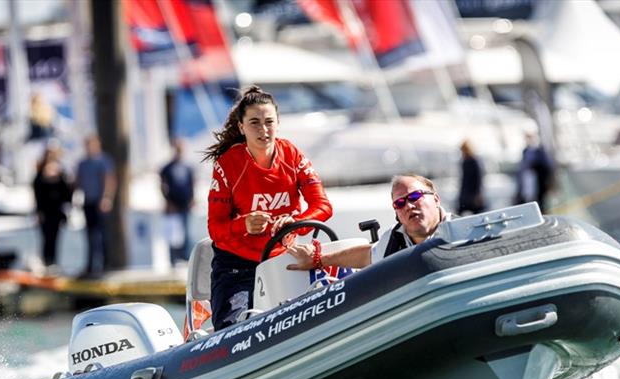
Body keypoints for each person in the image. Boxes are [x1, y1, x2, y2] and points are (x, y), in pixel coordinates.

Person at [202, 85, 333, 331]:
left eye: (269, 122)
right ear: (241, 128)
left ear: (278, 123)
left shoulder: (292, 155)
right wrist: (244, 224)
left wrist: (296, 222)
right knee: (230, 328)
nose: (264, 130)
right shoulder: (228, 164)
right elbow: (215, 229)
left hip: (285, 258)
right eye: (254, 123)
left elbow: (322, 205)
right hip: (236, 266)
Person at [286, 174, 449, 270]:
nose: (408, 206)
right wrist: (318, 259)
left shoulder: (464, 231)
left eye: (415, 197)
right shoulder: (392, 241)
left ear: (436, 199)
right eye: (400, 203)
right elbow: (367, 255)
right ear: (397, 214)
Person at [75, 134, 116, 275]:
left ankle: (106, 265)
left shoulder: (104, 161)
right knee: (90, 235)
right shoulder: (82, 163)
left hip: (100, 202)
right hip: (88, 202)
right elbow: (78, 182)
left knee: (103, 234)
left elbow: (109, 180)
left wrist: (106, 198)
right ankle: (91, 266)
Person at [33, 143, 72, 270]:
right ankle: (46, 262)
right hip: (45, 211)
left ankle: (54, 262)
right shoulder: (40, 172)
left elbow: (67, 192)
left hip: (57, 210)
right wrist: (38, 212)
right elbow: (37, 192)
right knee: (45, 237)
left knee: (55, 237)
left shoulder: (61, 172)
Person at [160, 138, 196, 266]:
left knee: (186, 231)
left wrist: (193, 199)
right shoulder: (167, 168)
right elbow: (163, 185)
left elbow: (192, 184)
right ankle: (173, 258)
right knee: (173, 232)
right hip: (173, 205)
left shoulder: (188, 167)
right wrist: (168, 202)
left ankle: (185, 257)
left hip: (185, 203)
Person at [515, 132, 554, 212]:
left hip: (538, 181)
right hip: (528, 180)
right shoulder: (525, 151)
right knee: (528, 199)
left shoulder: (540, 151)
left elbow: (547, 167)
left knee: (540, 202)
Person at [457, 140, 485, 215]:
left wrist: (478, 194)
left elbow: (478, 178)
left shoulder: (475, 161)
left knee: (478, 215)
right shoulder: (464, 161)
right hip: (465, 194)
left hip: (474, 194)